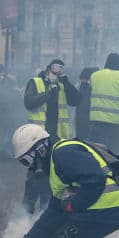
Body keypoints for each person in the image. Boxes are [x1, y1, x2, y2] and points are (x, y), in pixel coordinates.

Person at [23, 59, 81, 214]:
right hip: (37, 137)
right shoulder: (35, 82)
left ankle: (45, 213)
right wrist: (47, 94)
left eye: (62, 68)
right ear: (48, 68)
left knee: (52, 178)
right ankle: (25, 214)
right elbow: (28, 102)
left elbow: (77, 100)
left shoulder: (62, 85)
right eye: (57, 67)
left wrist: (67, 83)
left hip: (57, 139)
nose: (60, 70)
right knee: (35, 175)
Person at [86, 53, 119, 150]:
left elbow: (88, 100)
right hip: (115, 127)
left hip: (95, 124)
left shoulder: (94, 76)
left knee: (96, 153)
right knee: (113, 156)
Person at [75, 67, 97, 140]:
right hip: (86, 121)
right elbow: (86, 105)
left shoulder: (80, 87)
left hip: (80, 120)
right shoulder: (87, 88)